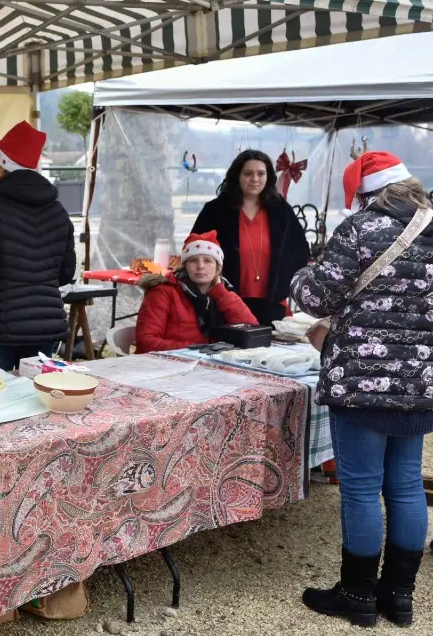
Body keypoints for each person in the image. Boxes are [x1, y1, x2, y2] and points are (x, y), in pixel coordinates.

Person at [292, 151, 431, 628]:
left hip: (360, 380)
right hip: (419, 382)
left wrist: (299, 277)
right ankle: (400, 596)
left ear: (365, 194)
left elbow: (316, 298)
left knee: (361, 489)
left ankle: (357, 595)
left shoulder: (359, 229)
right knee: (408, 484)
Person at [0, 121, 75, 372]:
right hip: (45, 325)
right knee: (36, 397)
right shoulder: (59, 211)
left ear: (3, 165)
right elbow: (66, 273)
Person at [192, 149, 309, 326]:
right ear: (237, 176)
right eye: (248, 173)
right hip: (226, 301)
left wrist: (284, 282)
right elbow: (195, 248)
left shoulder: (282, 211)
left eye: (261, 173)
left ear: (268, 177)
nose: (255, 179)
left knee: (270, 351)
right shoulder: (215, 211)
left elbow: (301, 250)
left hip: (272, 303)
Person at [136, 231, 258, 353]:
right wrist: (200, 349)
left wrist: (221, 293)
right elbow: (146, 342)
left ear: (218, 268)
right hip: (167, 366)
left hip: (212, 364)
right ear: (185, 266)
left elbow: (253, 333)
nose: (200, 266)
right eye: (193, 260)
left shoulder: (225, 293)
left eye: (207, 261)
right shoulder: (163, 292)